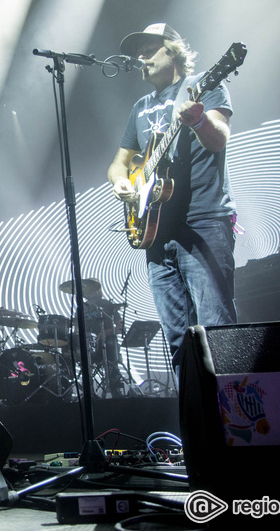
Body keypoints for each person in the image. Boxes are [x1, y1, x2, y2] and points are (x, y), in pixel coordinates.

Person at [106, 23, 237, 379]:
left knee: (215, 331)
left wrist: (197, 122)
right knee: (178, 341)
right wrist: (122, 182)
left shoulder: (204, 86)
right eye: (139, 52)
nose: (140, 58)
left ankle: (232, 425)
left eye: (149, 49)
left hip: (203, 222)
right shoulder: (141, 107)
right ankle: (195, 426)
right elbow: (120, 163)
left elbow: (218, 139)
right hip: (157, 231)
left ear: (173, 50)